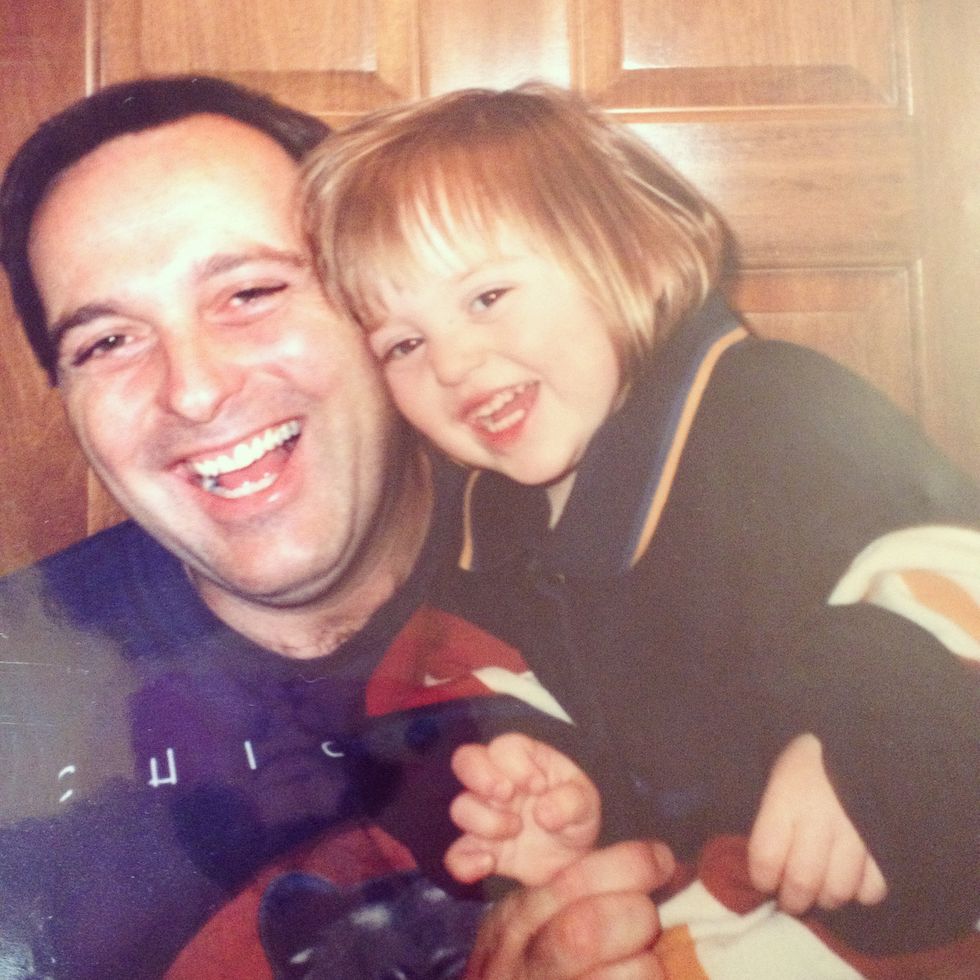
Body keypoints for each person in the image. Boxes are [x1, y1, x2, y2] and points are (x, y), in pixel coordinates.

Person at [0, 75, 675, 980]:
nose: (193, 390)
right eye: (108, 342)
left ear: (376, 307)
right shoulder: (17, 695)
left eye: (250, 292)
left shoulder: (660, 570)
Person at [302, 82, 980, 953]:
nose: (454, 363)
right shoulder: (478, 531)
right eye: (403, 344)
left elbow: (950, 565)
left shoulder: (778, 409)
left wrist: (861, 734)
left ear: (620, 257)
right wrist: (553, 796)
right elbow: (513, 712)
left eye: (487, 297)